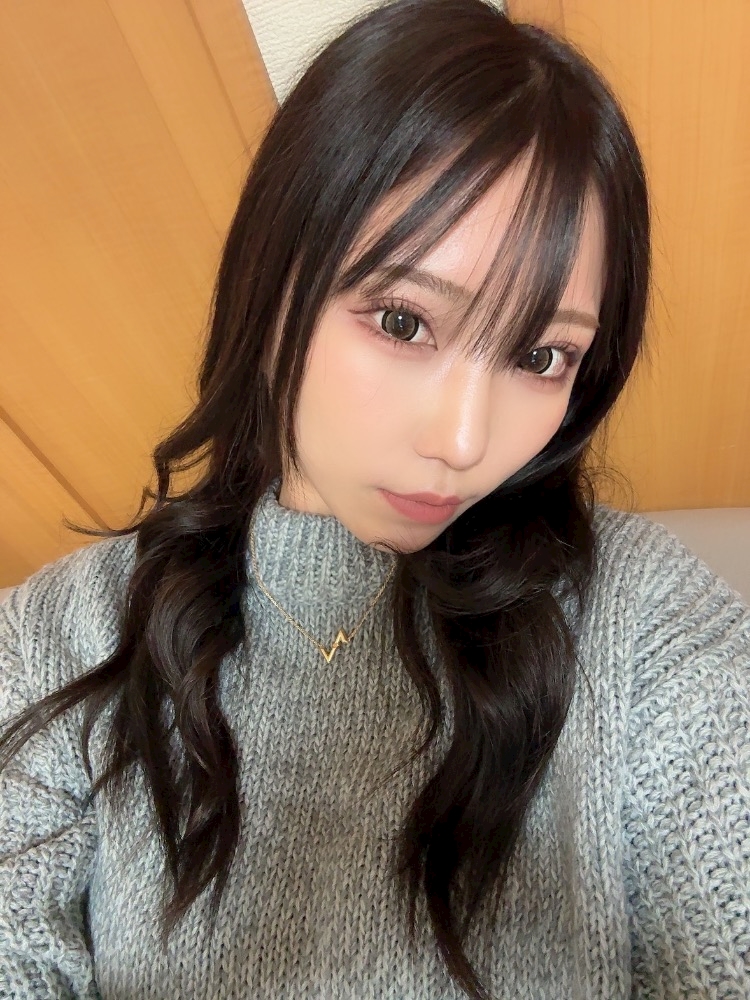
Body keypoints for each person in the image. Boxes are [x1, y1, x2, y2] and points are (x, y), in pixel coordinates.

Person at [1, 0, 749, 997]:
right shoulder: (61, 635)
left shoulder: (644, 615)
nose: (465, 444)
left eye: (542, 356)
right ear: (276, 276)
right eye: (403, 321)